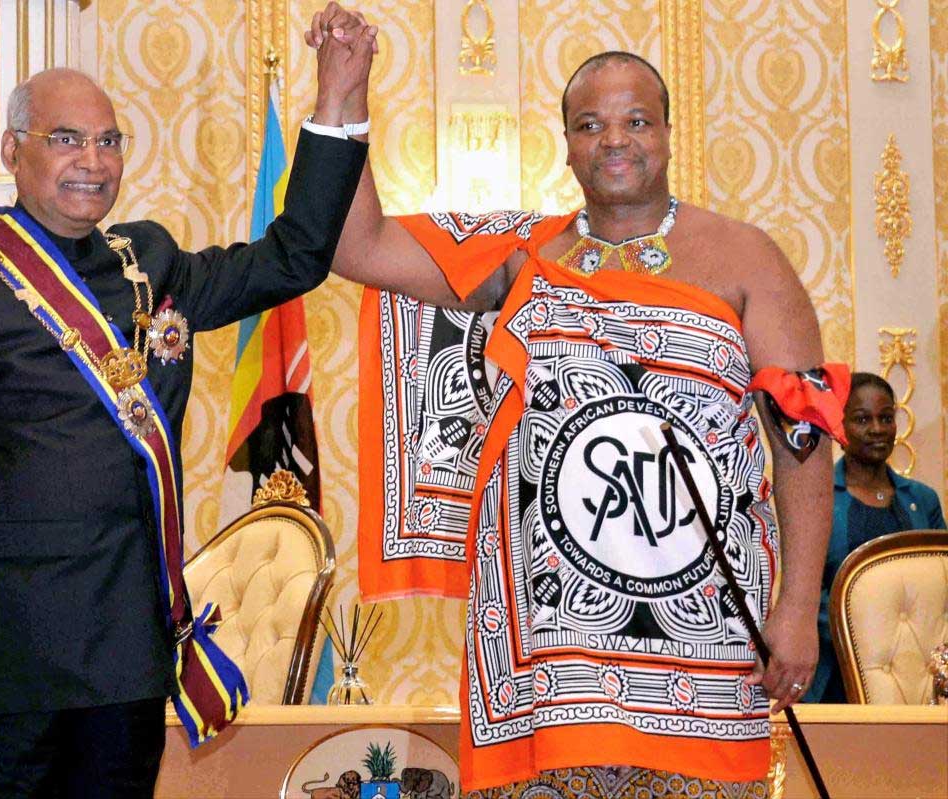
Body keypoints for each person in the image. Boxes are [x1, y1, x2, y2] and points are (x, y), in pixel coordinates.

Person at [309, 9, 845, 796]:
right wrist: (344, 94)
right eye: (590, 124)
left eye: (635, 120)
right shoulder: (523, 256)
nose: (615, 139)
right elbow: (357, 247)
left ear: (668, 131)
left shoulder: (745, 256)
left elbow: (804, 439)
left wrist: (798, 607)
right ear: (566, 144)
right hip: (548, 659)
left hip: (702, 648)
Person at [0, 19, 377, 796]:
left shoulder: (147, 264)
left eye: (109, 142)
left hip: (127, 666)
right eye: (67, 139)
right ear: (14, 152)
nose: (93, 161)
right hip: (4, 673)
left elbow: (296, 255)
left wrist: (338, 98)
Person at [805, 372, 946, 703]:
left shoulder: (923, 500)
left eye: (886, 417)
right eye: (862, 419)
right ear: (841, 426)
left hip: (916, 681)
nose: (877, 429)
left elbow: (940, 588)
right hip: (836, 676)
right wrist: (863, 631)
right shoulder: (819, 499)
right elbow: (807, 594)